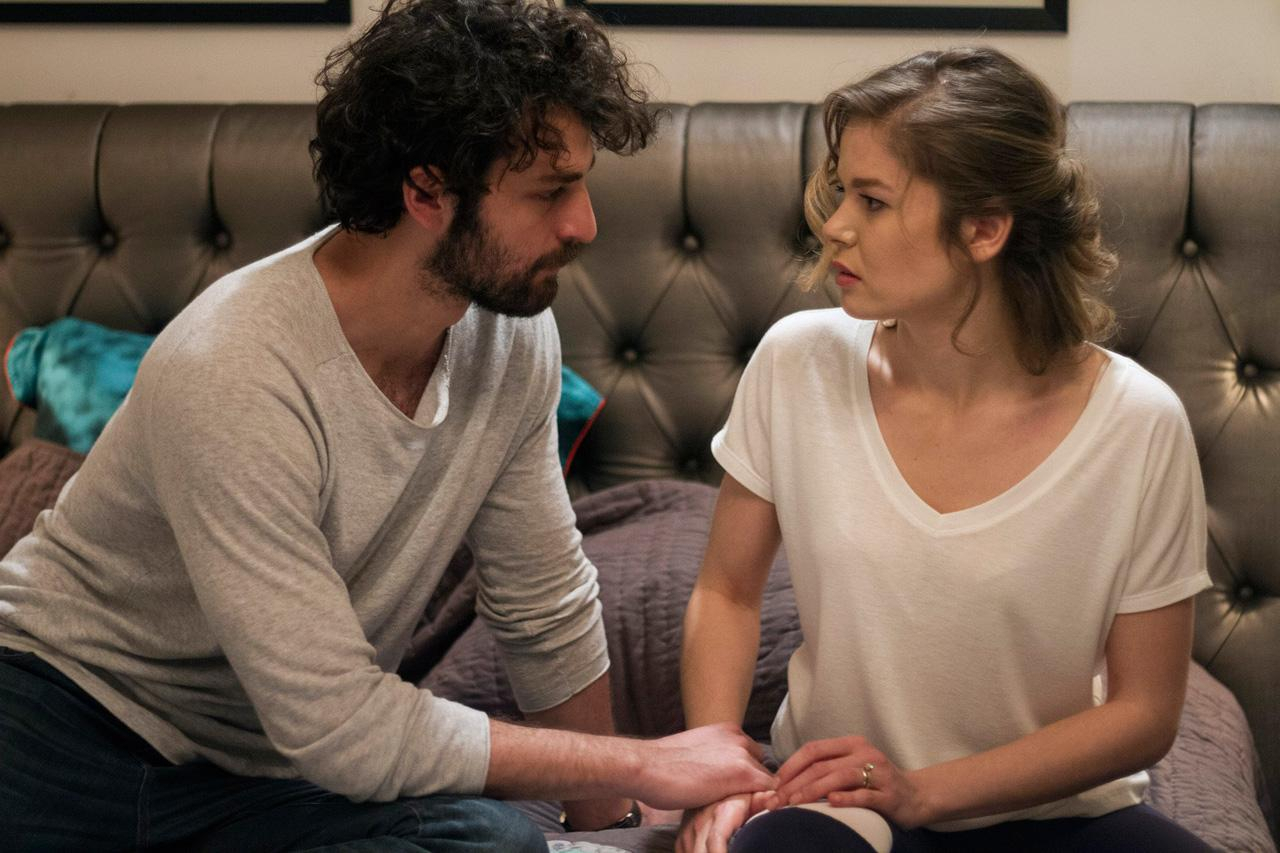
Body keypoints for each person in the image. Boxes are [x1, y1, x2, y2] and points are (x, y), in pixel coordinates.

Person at [0, 1, 773, 850]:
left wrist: (609, 819)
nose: (583, 224)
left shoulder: (512, 337)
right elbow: (344, 728)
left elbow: (543, 603)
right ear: (425, 191)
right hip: (61, 728)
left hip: (260, 767)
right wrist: (642, 763)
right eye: (551, 192)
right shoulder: (235, 368)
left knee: (492, 840)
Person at [677, 47, 1215, 853]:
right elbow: (725, 592)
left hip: (1061, 818)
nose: (835, 226)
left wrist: (927, 789)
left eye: (873, 200)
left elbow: (1144, 713)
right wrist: (717, 777)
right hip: (846, 812)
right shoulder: (796, 362)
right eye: (841, 191)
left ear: (985, 229)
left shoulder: (1140, 423)